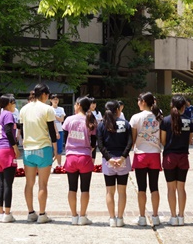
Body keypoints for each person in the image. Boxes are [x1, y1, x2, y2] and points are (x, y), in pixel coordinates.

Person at [19, 83, 58, 224]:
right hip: (43, 148)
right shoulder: (48, 109)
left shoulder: (23, 109)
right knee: (43, 184)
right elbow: (52, 131)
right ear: (44, 95)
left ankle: (30, 213)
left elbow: (22, 130)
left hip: (28, 150)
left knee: (29, 183)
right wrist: (55, 148)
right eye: (47, 96)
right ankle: (42, 214)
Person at [62, 97, 98, 225]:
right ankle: (83, 216)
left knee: (72, 188)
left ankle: (73, 216)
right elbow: (94, 142)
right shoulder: (91, 120)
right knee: (85, 188)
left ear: (78, 105)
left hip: (71, 156)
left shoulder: (69, 120)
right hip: (85, 157)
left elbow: (65, 139)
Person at [129, 92, 163, 226]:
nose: (138, 103)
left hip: (141, 154)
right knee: (154, 187)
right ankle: (155, 216)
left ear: (143, 102)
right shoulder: (159, 116)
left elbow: (133, 138)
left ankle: (142, 217)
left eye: (139, 101)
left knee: (141, 187)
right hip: (154, 153)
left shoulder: (136, 117)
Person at [97, 100, 133, 227]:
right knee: (122, 191)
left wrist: (109, 158)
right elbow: (130, 142)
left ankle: (112, 218)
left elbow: (100, 144)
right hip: (123, 160)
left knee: (109, 191)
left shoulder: (102, 125)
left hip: (108, 161)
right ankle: (120, 218)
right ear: (118, 110)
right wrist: (123, 157)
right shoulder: (126, 124)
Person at [160, 95, 193, 226]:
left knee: (171, 188)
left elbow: (162, 140)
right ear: (183, 106)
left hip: (169, 156)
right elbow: (190, 140)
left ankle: (173, 216)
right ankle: (181, 216)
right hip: (183, 156)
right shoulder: (189, 121)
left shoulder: (166, 120)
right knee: (181, 188)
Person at [0, 94, 21, 223]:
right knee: (8, 184)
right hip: (6, 150)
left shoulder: (0, 114)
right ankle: (7, 213)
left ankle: (0, 212)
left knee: (1, 183)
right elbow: (9, 132)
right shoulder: (8, 114)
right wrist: (15, 148)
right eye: (14, 102)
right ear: (9, 103)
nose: (15, 105)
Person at [50, 94, 66, 167]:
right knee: (51, 148)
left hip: (60, 130)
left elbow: (61, 119)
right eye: (54, 99)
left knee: (59, 148)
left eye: (57, 99)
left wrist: (54, 116)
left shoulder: (61, 109)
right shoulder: (49, 109)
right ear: (51, 100)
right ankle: (50, 165)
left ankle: (59, 165)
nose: (56, 101)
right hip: (50, 131)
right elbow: (50, 121)